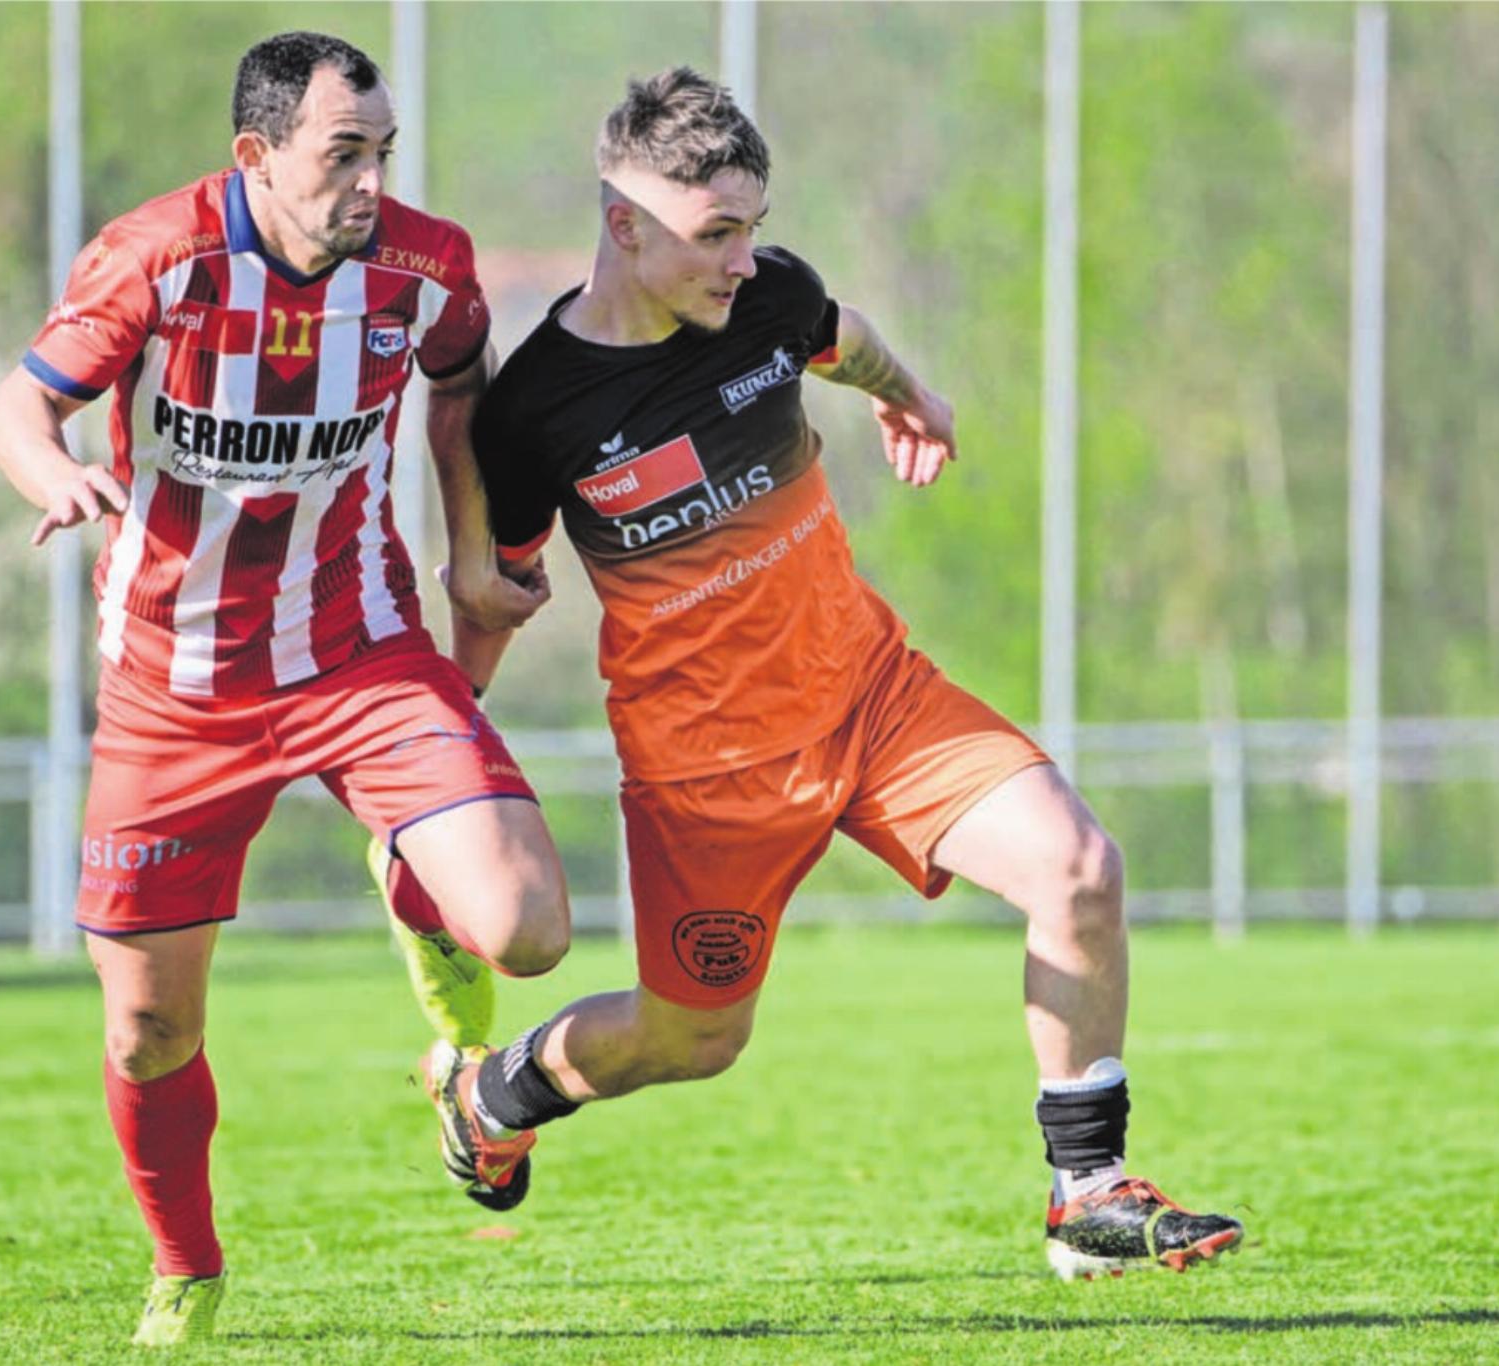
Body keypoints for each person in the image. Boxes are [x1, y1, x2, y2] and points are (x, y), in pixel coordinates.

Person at [383, 66, 1244, 1281]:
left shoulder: (768, 299)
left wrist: (916, 397)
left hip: (874, 699)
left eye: (754, 230)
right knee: (694, 1036)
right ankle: (494, 1097)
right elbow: (499, 592)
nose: (742, 261)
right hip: (708, 776)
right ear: (624, 224)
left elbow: (841, 338)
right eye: (714, 234)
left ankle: (1086, 1191)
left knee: (1080, 868)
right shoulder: (536, 413)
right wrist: (440, 752)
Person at [0, 31, 571, 1347]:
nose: (369, 184)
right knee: (144, 1028)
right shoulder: (156, 257)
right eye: (340, 156)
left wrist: (472, 552)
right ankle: (187, 1267)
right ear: (255, 156)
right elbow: (19, 411)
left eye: (382, 154)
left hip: (359, 649)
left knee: (528, 924)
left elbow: (459, 389)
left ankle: (450, 1031)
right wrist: (55, 475)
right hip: (173, 688)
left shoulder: (428, 262)